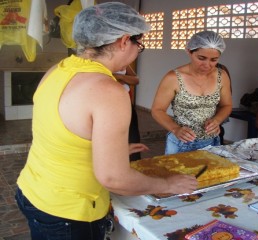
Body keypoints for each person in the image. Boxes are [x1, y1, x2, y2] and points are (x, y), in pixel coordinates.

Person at [15, 3, 197, 240]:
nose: (136, 52)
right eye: (138, 45)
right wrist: (168, 185)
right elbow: (113, 178)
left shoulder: (59, 70)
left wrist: (108, 149)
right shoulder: (108, 91)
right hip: (69, 211)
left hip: (32, 190)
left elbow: (60, 131)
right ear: (124, 41)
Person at [151, 30, 232, 154]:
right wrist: (176, 129)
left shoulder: (221, 75)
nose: (207, 65)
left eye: (214, 60)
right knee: (178, 173)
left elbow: (226, 105)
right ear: (189, 51)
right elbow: (157, 110)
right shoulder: (173, 78)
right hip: (181, 143)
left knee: (210, 173)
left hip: (210, 142)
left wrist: (217, 120)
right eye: (201, 58)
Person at [114, 64, 142, 161]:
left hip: (126, 103)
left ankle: (134, 164)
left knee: (132, 136)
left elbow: (136, 80)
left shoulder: (123, 62)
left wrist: (120, 77)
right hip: (108, 104)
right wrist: (125, 79)